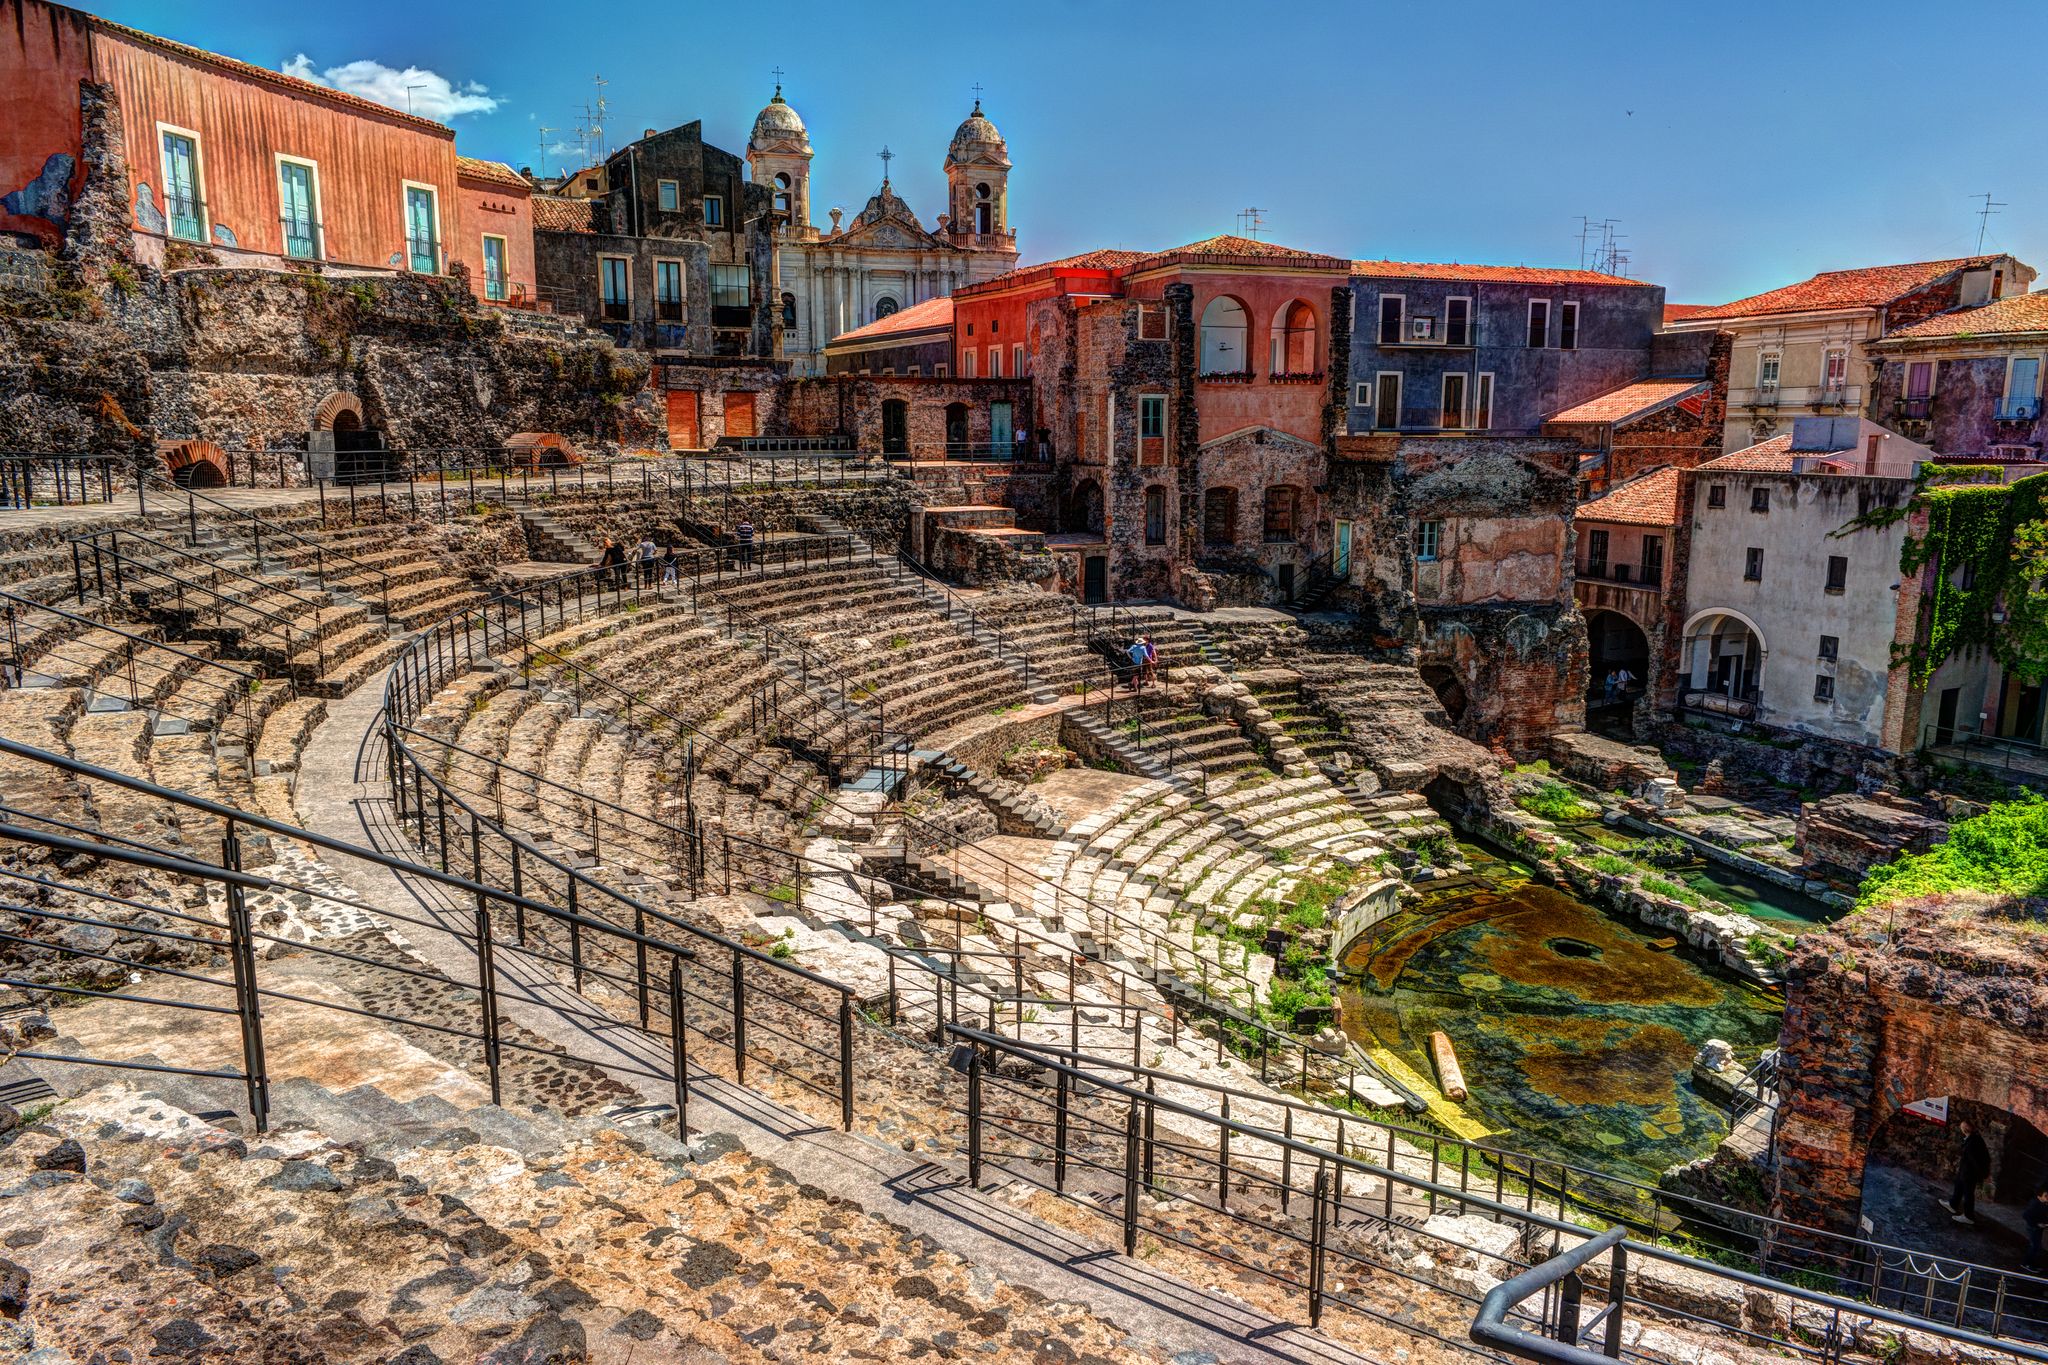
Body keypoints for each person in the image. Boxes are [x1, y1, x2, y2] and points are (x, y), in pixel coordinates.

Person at [1940, 1118, 1992, 1225]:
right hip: (1965, 1170)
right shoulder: (1975, 1138)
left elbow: (1975, 1161)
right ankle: (1953, 1204)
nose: (1961, 1128)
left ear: (1965, 1130)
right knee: (1958, 1185)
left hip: (1969, 1173)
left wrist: (1981, 1175)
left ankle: (1968, 1216)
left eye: (1962, 1127)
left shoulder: (1971, 1143)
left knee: (1968, 1194)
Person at [2024, 1186, 2048, 1270]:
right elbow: (2025, 1215)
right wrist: (2037, 1224)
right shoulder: (2034, 1205)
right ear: (2039, 1196)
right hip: (2033, 1228)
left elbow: (2043, 1215)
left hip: (2038, 1228)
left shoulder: (2044, 1204)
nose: (2047, 1197)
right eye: (2045, 1196)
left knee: (2036, 1246)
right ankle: (2026, 1264)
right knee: (2034, 1246)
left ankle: (2031, 1263)